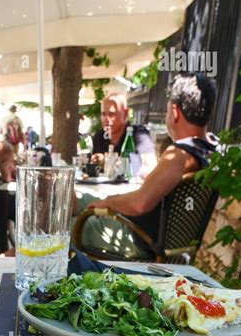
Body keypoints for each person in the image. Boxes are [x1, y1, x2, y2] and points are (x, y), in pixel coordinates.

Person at [74, 74, 218, 260]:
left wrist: (110, 202)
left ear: (174, 112)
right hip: (160, 240)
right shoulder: (211, 149)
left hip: (139, 239)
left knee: (66, 224)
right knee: (75, 200)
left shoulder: (179, 155)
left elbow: (140, 203)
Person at [91, 93, 157, 177]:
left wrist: (109, 162)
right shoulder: (100, 137)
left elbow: (150, 167)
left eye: (112, 114)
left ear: (125, 113)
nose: (106, 119)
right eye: (103, 114)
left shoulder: (138, 134)